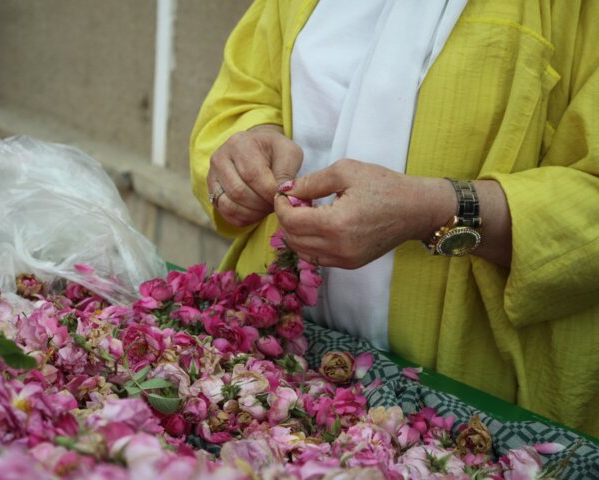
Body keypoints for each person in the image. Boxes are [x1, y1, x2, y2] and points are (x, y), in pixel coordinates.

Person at [189, 0, 599, 437]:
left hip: (462, 411)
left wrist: (436, 210)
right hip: (270, 370)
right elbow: (242, 95)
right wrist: (251, 148)